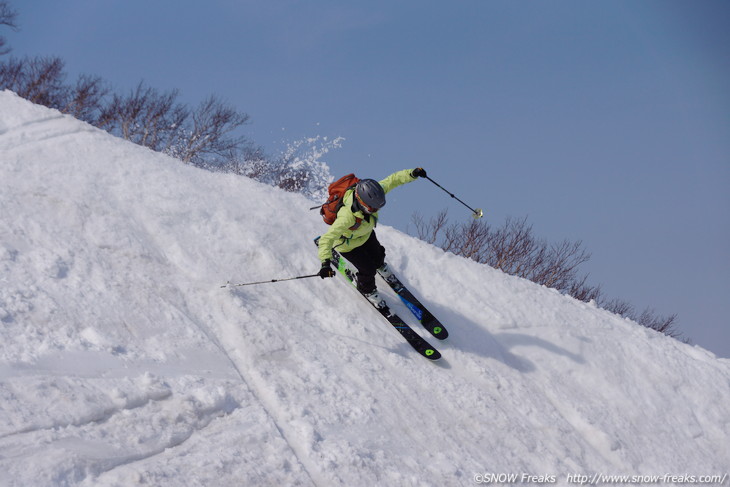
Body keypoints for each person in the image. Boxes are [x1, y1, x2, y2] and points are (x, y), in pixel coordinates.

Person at [317, 167, 428, 308]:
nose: (375, 210)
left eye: (377, 208)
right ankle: (367, 289)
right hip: (348, 245)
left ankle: (380, 265)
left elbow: (393, 180)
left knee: (378, 254)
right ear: (361, 202)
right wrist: (325, 263)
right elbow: (327, 239)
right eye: (373, 209)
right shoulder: (346, 217)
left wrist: (412, 173)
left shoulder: (374, 194)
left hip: (365, 234)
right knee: (368, 270)